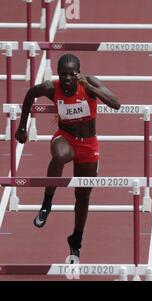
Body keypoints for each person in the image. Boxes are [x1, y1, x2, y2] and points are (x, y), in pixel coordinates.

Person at [15, 53, 121, 259]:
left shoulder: (89, 82)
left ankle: (76, 239)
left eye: (72, 74)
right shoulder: (51, 87)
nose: (67, 79)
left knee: (83, 196)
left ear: (78, 73)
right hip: (65, 137)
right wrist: (22, 127)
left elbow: (116, 103)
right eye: (63, 74)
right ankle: (47, 203)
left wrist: (89, 88)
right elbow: (30, 94)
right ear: (58, 74)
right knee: (61, 155)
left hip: (89, 145)